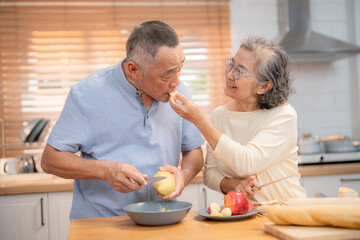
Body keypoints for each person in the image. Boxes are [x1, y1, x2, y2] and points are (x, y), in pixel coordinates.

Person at [41, 21, 204, 220]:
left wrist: (184, 176)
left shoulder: (180, 93)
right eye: (166, 75)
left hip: (161, 220)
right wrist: (106, 171)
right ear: (134, 70)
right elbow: (50, 160)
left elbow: (194, 151)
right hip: (101, 224)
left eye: (179, 68)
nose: (176, 81)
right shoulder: (87, 94)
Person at [169, 34, 306, 203]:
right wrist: (233, 185)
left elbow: (245, 162)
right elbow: (210, 174)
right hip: (243, 216)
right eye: (231, 64)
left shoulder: (283, 116)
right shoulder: (220, 115)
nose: (229, 75)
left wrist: (199, 119)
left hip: (286, 214)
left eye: (239, 71)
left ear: (264, 86)